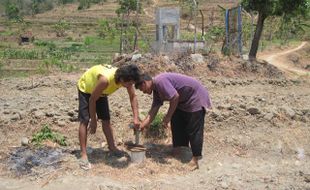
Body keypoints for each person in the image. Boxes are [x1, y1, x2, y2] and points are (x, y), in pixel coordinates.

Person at [135, 72, 212, 170]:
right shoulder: (156, 91)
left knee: (194, 129)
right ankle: (181, 150)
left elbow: (175, 97)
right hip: (183, 101)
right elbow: (153, 111)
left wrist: (167, 117)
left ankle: (196, 159)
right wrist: (142, 125)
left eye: (142, 90)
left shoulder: (160, 81)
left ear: (144, 83)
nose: (144, 92)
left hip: (195, 97)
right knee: (177, 122)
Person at [77, 64, 141, 170]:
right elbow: (92, 99)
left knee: (106, 120)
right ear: (122, 79)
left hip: (101, 92)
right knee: (85, 120)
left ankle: (112, 147)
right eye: (130, 83)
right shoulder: (105, 81)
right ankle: (83, 154)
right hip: (86, 88)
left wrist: (136, 118)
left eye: (132, 83)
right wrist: (94, 120)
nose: (131, 85)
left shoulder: (126, 80)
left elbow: (133, 96)